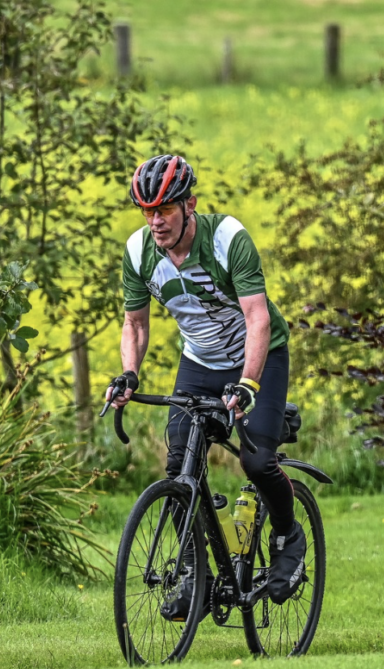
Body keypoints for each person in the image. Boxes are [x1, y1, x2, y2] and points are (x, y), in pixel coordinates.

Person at [104, 154, 304, 618]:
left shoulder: (227, 239)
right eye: (147, 211)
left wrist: (248, 383)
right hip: (200, 360)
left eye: (165, 209)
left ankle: (287, 536)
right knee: (180, 469)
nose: (156, 221)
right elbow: (134, 324)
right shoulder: (138, 252)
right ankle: (198, 571)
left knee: (256, 460)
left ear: (189, 204)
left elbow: (257, 318)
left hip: (260, 355)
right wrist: (129, 374)